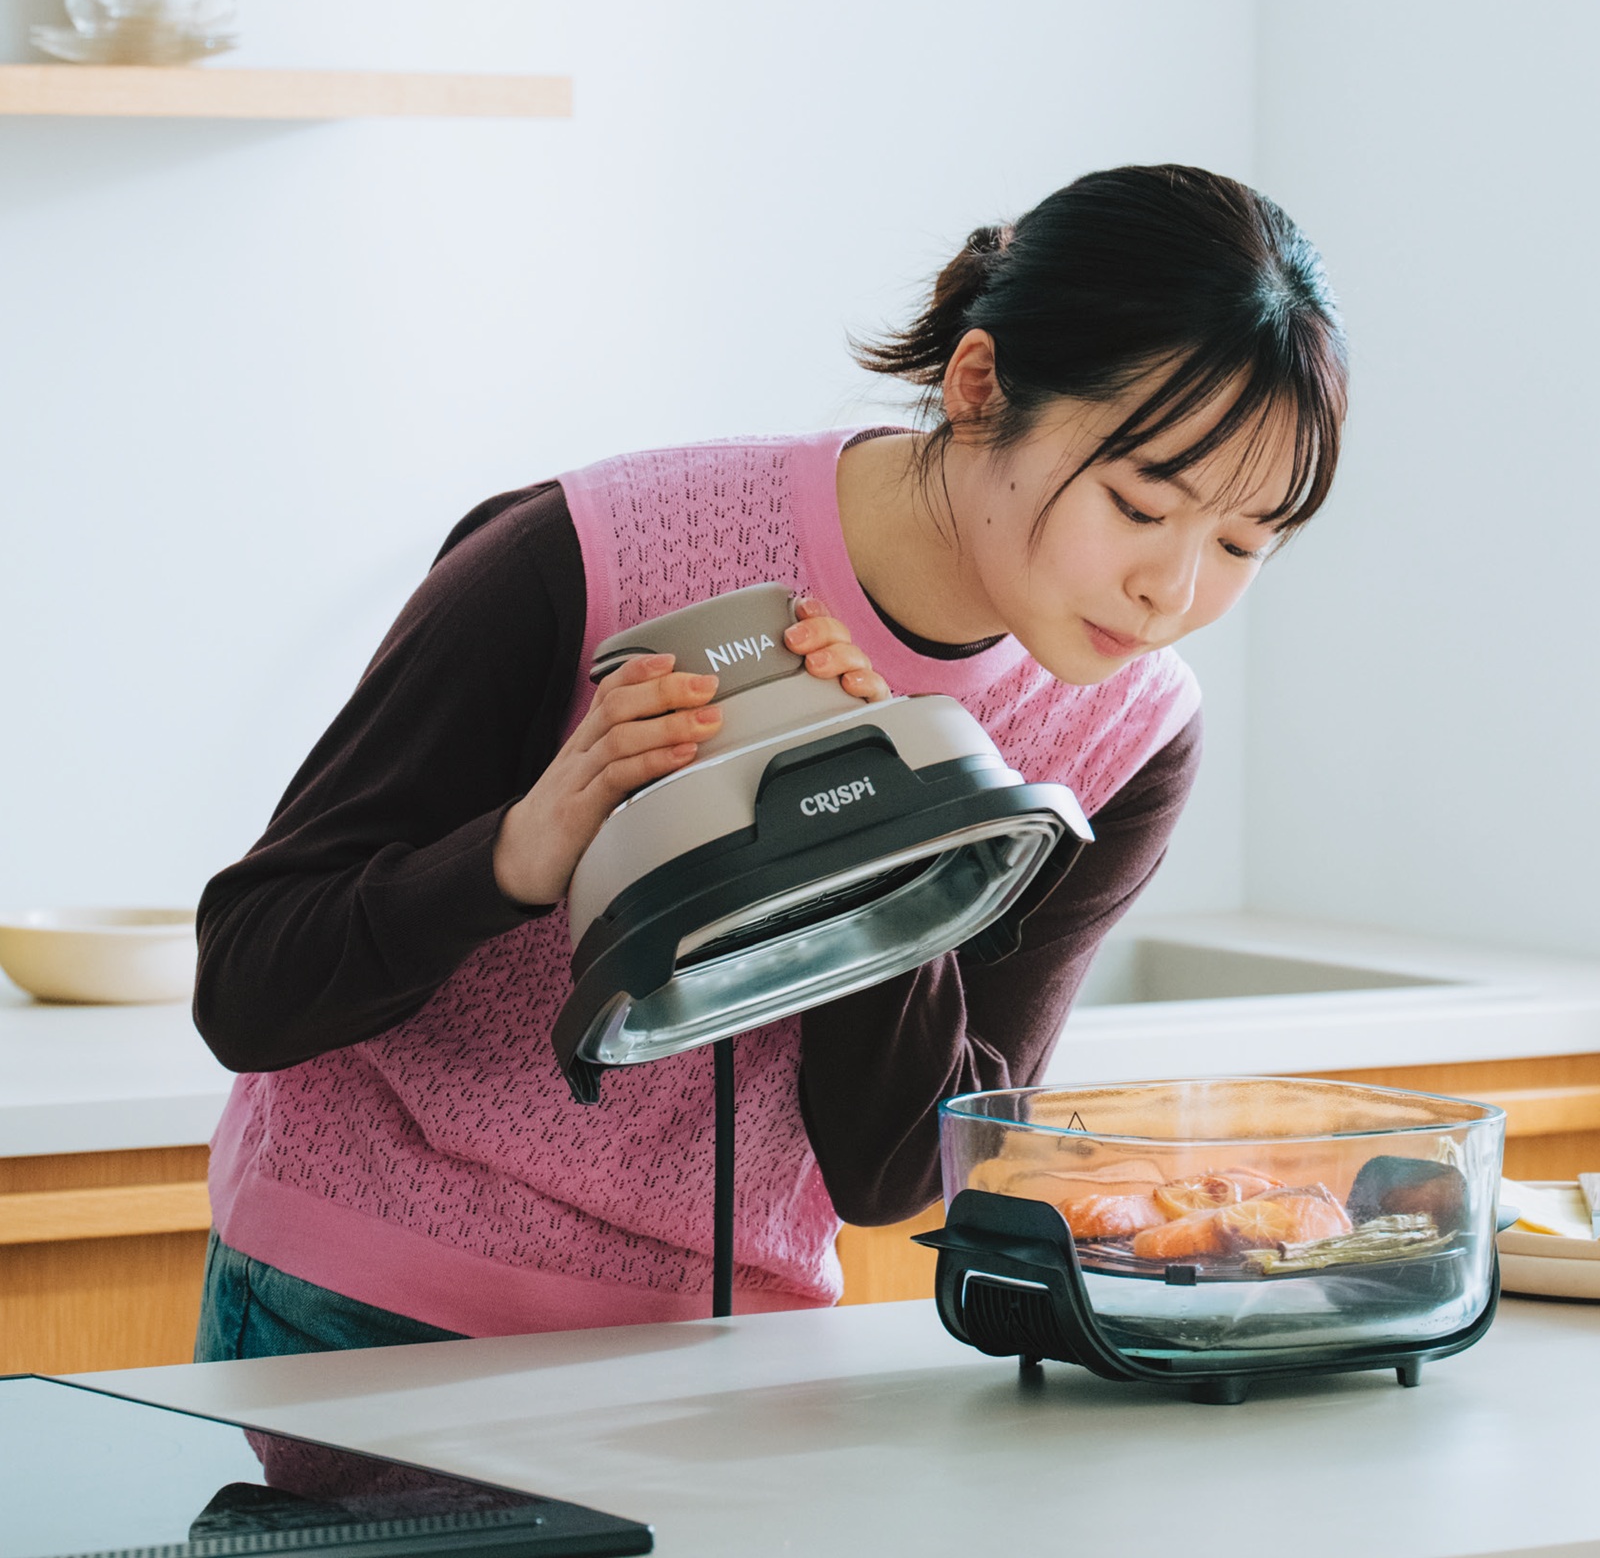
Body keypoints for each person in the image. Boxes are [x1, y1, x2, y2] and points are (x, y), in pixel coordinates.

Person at [191, 163, 1348, 1361]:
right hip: (361, 1309)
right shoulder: (595, 551)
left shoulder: (1130, 735)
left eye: (1242, 542)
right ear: (977, 385)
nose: (1173, 590)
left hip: (731, 1361)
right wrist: (512, 859)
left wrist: (890, 843)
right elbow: (247, 982)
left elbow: (899, 1171)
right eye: (1140, 505)